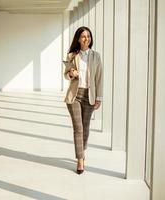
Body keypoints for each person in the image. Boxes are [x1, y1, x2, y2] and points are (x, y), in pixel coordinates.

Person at [63, 26, 102, 174]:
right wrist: (71, 73)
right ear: (78, 39)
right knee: (78, 128)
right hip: (75, 95)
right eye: (83, 36)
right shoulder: (72, 55)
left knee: (85, 128)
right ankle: (80, 160)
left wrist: (99, 98)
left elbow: (99, 78)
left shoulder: (96, 56)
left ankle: (81, 148)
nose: (86, 39)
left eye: (89, 36)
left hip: (90, 96)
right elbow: (66, 75)